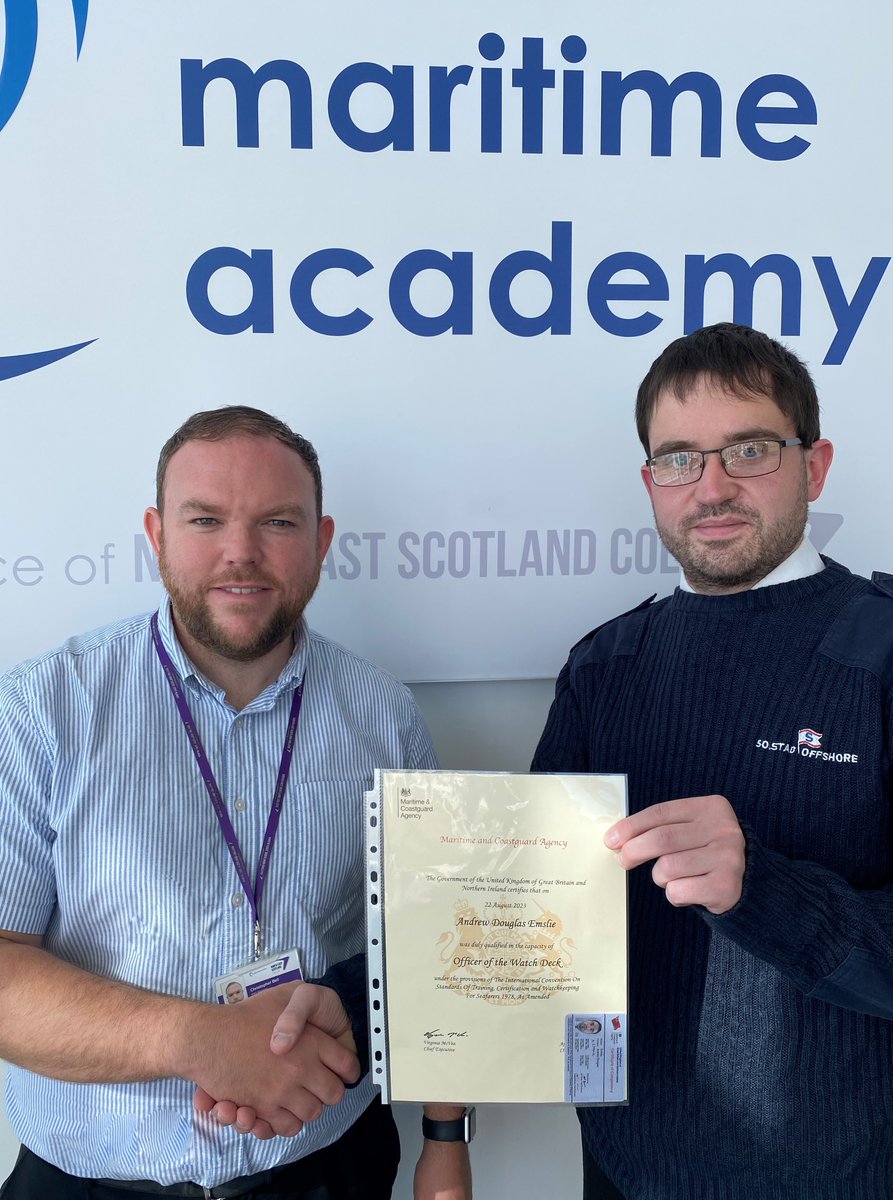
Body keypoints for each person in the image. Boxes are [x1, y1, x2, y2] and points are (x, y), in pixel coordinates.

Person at [0, 406, 470, 1200]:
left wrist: (445, 1140)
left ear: (320, 541)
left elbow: (432, 945)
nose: (241, 553)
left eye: (277, 522)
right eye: (205, 520)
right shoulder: (43, 709)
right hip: (89, 1181)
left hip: (325, 1169)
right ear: (156, 535)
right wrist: (202, 1041)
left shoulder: (384, 715)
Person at [532, 323, 893, 1199]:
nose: (713, 486)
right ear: (650, 482)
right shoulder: (603, 665)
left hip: (835, 1177)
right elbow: (527, 906)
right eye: (679, 459)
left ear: (814, 466)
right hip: (621, 1164)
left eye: (749, 450)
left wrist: (761, 888)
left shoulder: (881, 651)